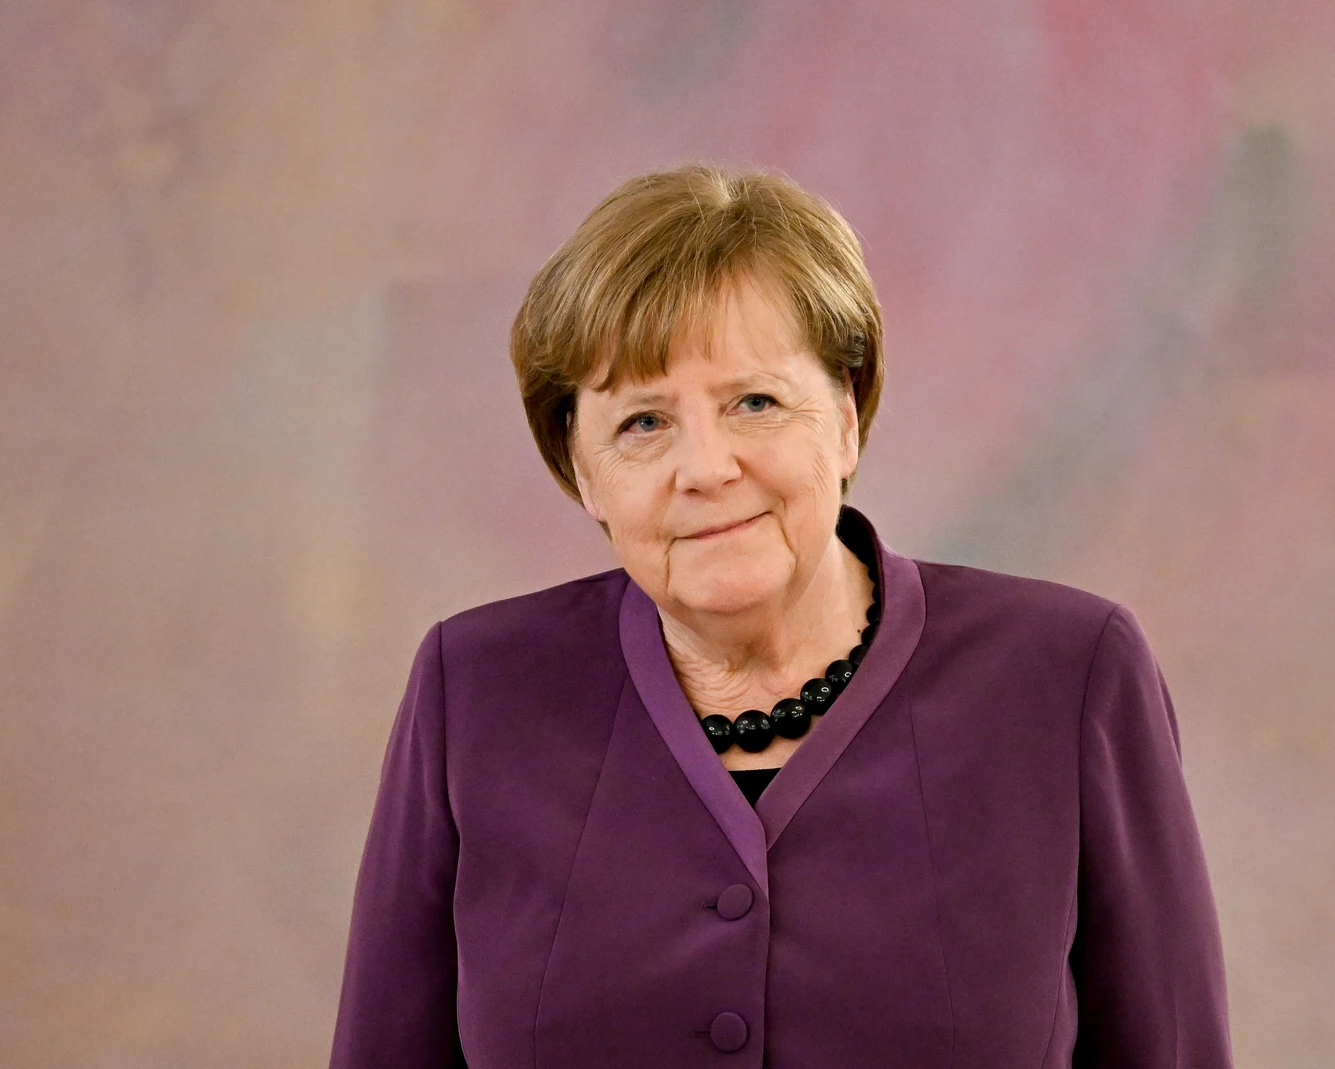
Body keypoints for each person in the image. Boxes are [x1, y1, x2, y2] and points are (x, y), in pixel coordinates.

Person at [329, 165, 1232, 1067]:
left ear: (845, 413)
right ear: (584, 471)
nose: (706, 467)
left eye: (753, 402)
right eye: (643, 422)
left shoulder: (1069, 676)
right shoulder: (476, 689)